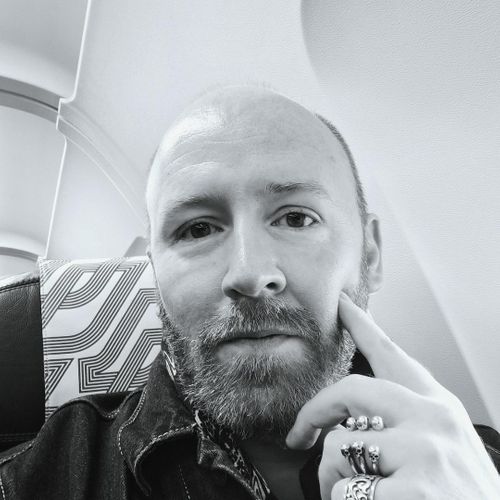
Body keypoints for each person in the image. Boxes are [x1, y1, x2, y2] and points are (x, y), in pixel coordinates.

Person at [1, 86, 499, 499]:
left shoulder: (475, 469)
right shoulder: (56, 470)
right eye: (198, 230)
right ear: (154, 273)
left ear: (369, 254)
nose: (250, 273)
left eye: (296, 218)